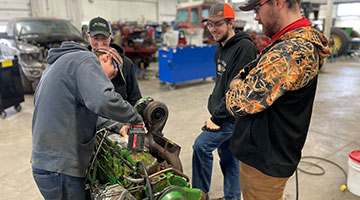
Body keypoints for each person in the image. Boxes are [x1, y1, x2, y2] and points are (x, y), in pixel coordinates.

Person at [225, 0, 331, 199]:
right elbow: (247, 73)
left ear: (279, 3)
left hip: (265, 162)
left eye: (258, 9)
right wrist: (242, 80)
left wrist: (235, 83)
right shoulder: (287, 42)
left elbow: (237, 102)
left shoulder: (291, 52)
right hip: (266, 154)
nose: (256, 17)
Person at [31, 41, 143, 200]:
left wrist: (119, 126)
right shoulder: (85, 60)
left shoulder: (59, 65)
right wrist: (134, 117)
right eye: (114, 73)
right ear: (106, 58)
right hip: (60, 168)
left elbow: (79, 113)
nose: (110, 80)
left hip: (47, 164)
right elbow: (103, 100)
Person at [192, 3, 257, 200]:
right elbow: (221, 82)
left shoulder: (244, 48)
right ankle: (232, 197)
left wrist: (217, 118)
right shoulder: (220, 47)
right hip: (222, 112)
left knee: (201, 147)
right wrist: (214, 105)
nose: (212, 29)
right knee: (229, 159)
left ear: (231, 23)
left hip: (231, 116)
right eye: (209, 25)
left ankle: (199, 196)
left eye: (217, 24)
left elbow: (238, 92)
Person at [86, 16, 142, 137]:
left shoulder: (126, 64)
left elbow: (135, 99)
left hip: (122, 129)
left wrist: (136, 122)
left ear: (110, 36)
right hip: (92, 130)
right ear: (88, 37)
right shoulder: (81, 66)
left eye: (104, 38)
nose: (100, 44)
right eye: (95, 38)